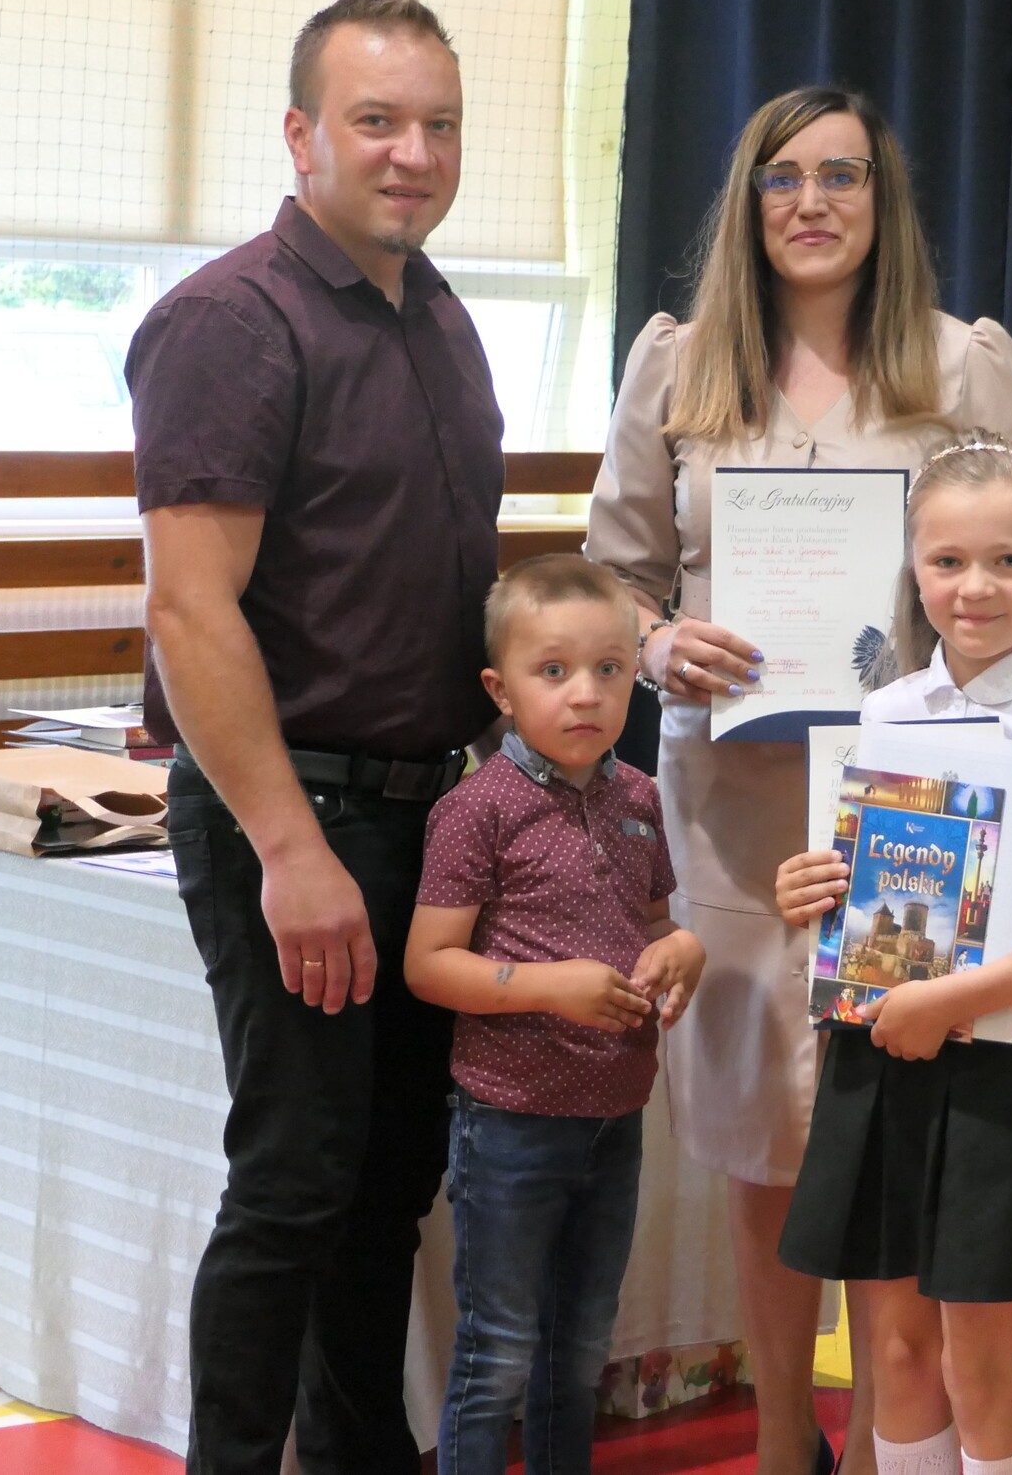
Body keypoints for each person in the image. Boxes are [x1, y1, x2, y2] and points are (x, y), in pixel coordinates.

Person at [586, 85, 1012, 1475]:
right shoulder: (678, 365)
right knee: (762, 1132)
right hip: (732, 803)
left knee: (896, 1108)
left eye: (841, 175)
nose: (812, 203)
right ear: (748, 204)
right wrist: (657, 642)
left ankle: (899, 1432)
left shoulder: (961, 364)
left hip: (910, 800)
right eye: (782, 178)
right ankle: (786, 1436)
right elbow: (616, 575)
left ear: (881, 199)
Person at [129, 0, 501, 1475]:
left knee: (388, 1180)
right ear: (301, 135)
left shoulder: (440, 314)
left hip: (430, 815)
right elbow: (189, 610)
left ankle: (359, 1456)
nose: (413, 153)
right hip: (302, 814)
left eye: (439, 124)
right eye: (376, 121)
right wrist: (290, 848)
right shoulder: (233, 322)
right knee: (294, 1180)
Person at [772, 434, 1012, 1475]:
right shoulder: (885, 711)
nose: (975, 587)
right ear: (914, 568)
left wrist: (952, 998)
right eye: (947, 560)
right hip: (881, 1048)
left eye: (1008, 561)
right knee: (895, 1351)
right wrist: (807, 890)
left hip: (1001, 1061)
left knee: (980, 1358)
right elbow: (870, 896)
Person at [405, 556, 708, 1475]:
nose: (586, 693)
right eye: (553, 670)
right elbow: (429, 964)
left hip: (615, 1118)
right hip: (510, 1120)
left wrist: (684, 951)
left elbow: (655, 928)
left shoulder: (640, 798)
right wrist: (551, 985)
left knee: (578, 1352)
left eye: (610, 669)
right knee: (497, 1351)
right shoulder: (477, 810)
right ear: (501, 689)